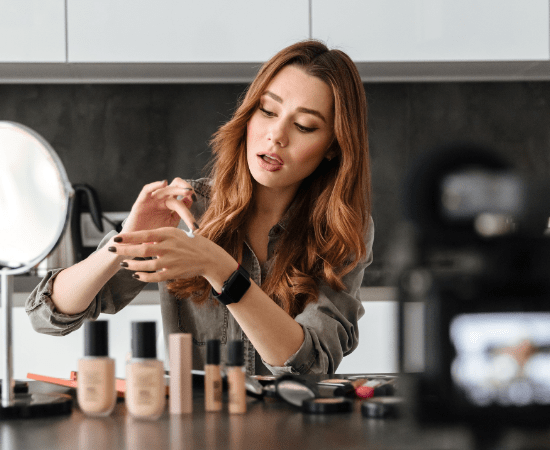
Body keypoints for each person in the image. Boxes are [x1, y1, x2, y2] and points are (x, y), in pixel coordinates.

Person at [26, 40, 373, 376]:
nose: (276, 135)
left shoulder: (342, 231)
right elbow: (48, 316)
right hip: (194, 428)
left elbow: (310, 365)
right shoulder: (186, 208)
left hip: (290, 431)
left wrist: (221, 269)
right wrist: (124, 240)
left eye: (304, 126)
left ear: (332, 146)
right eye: (267, 110)